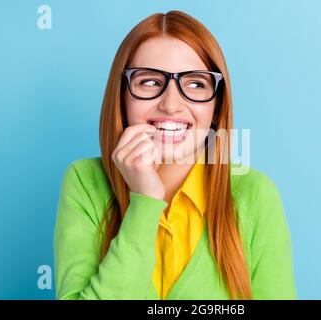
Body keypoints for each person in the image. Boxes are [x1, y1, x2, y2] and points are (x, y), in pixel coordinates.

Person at [54, 10, 296, 300]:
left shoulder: (255, 194)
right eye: (150, 82)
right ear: (122, 97)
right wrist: (144, 203)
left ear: (216, 107)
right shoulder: (84, 182)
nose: (171, 104)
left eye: (195, 84)